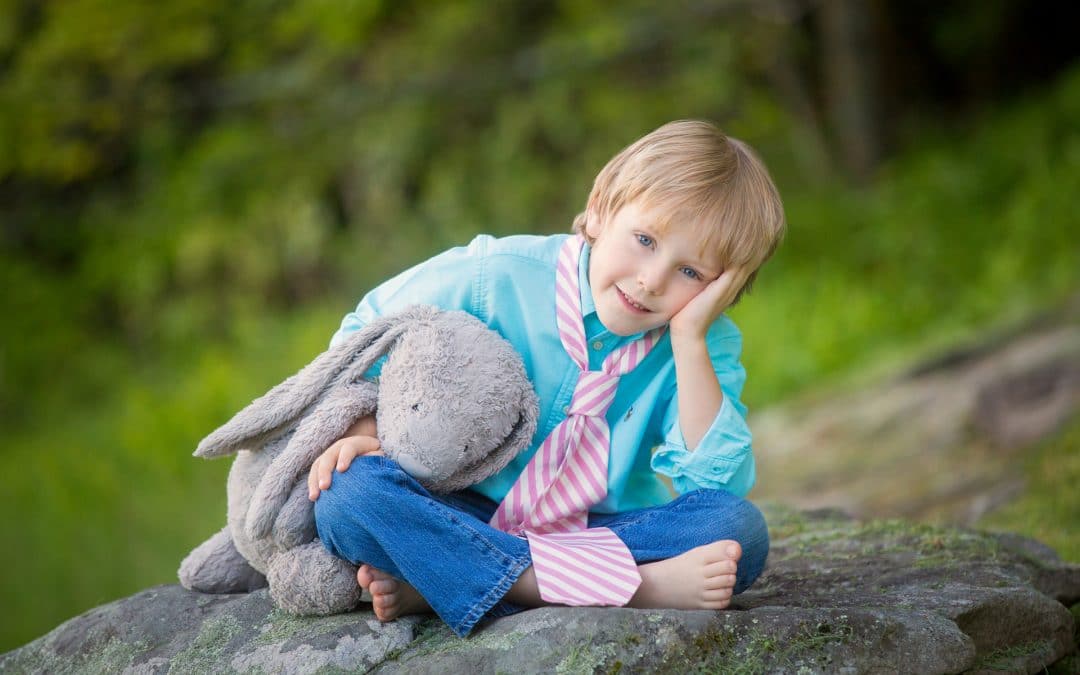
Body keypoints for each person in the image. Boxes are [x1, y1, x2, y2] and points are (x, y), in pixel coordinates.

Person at [308, 119, 786, 637]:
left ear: (723, 288)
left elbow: (717, 485)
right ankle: (610, 589)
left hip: (590, 527)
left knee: (736, 531)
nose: (652, 281)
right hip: (453, 506)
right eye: (645, 239)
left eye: (691, 273)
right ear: (602, 208)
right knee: (347, 496)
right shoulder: (496, 276)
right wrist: (362, 432)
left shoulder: (703, 343)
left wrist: (690, 338)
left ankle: (450, 579)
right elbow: (365, 332)